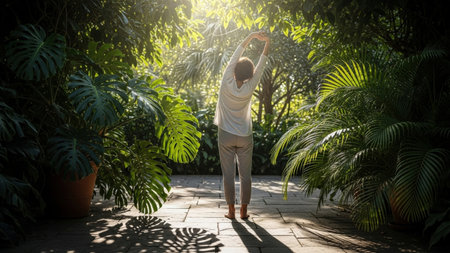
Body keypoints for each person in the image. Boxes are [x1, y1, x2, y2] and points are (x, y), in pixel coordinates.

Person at [214, 31, 270, 219]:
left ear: (234, 70)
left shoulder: (226, 81)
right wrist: (267, 43)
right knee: (246, 175)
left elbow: (236, 54)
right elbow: (262, 65)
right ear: (249, 75)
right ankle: (244, 211)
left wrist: (252, 36)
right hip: (245, 135)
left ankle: (231, 211)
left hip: (226, 135)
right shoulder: (250, 86)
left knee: (228, 174)